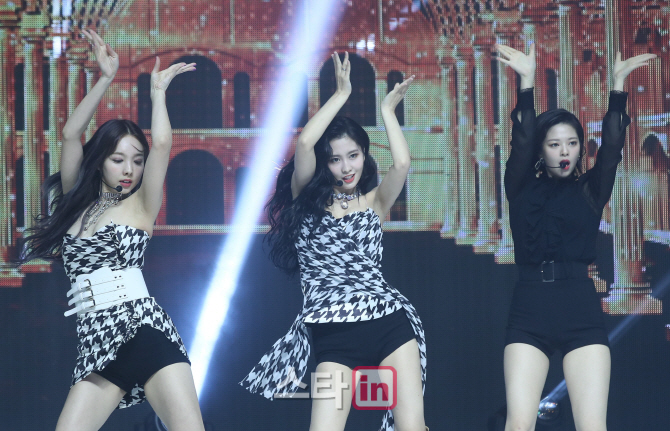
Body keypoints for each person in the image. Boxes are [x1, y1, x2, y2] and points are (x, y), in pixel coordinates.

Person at [19, 29, 204, 431]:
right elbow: (70, 134)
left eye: (136, 160)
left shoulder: (140, 206)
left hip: (144, 330)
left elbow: (162, 146)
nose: (129, 169)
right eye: (118, 159)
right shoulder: (76, 202)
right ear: (100, 159)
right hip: (97, 342)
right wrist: (105, 78)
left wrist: (158, 95)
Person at [241, 52, 427, 431]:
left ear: (364, 155)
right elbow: (305, 144)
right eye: (336, 159)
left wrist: (387, 111)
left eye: (353, 156)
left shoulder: (374, 202)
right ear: (325, 164)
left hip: (389, 323)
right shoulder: (305, 203)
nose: (346, 167)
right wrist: (341, 95)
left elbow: (402, 164)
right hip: (335, 335)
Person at [495, 42, 656, 431]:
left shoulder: (590, 190)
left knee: (592, 425)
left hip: (580, 310)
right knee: (519, 423)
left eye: (571, 143)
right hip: (530, 309)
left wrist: (617, 89)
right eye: (554, 144)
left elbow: (613, 149)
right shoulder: (520, 186)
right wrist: (527, 83)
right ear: (542, 150)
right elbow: (520, 140)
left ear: (582, 147)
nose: (564, 152)